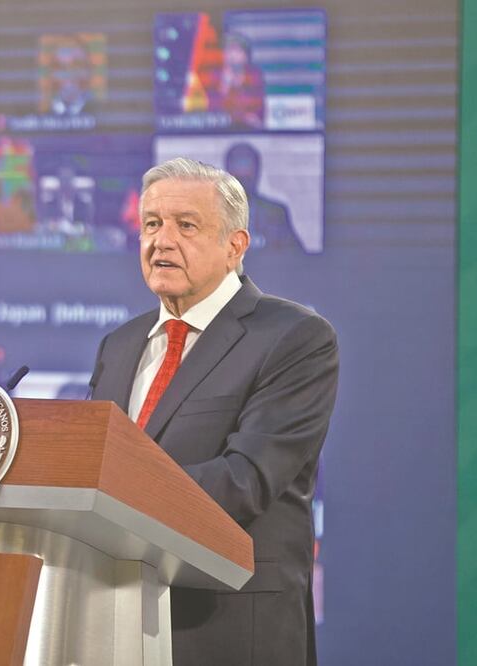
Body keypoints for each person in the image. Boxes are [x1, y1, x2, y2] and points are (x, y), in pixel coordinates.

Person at [89, 157, 338, 665]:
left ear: (235, 246)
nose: (162, 240)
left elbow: (246, 479)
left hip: (230, 628)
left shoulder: (294, 338)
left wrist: (111, 495)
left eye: (186, 225)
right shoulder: (120, 344)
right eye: (152, 224)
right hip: (114, 621)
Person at [224, 142, 303, 251]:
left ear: (257, 171)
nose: (243, 173)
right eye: (238, 167)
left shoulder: (276, 212)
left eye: (247, 167)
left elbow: (299, 259)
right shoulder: (211, 214)